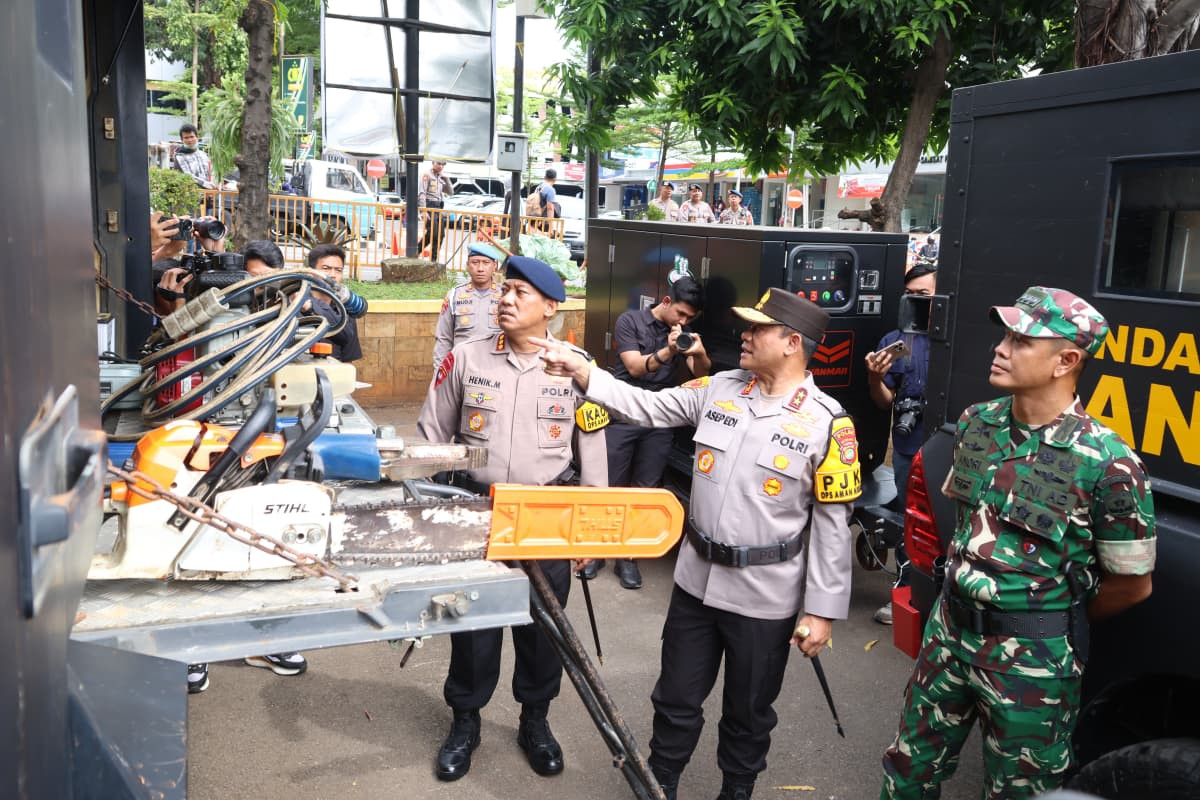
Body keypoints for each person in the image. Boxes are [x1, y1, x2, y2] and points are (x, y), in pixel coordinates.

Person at [535, 287, 861, 800]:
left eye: (757, 329)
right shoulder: (720, 388)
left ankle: (737, 788)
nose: (744, 336)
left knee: (749, 710)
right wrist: (584, 373)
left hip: (765, 595)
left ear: (792, 342)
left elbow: (831, 525)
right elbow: (646, 406)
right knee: (675, 698)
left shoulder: (828, 422)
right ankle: (660, 781)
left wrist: (821, 610)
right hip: (695, 581)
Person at [880, 286, 1156, 800]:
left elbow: (1132, 586)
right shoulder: (976, 423)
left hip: (1032, 662)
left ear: (1066, 360)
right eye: (1004, 336)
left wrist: (1039, 619)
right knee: (905, 775)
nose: (1000, 349)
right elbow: (967, 524)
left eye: (1021, 341)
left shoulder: (1108, 463)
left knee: (1021, 792)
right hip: (949, 637)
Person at [418, 255, 608, 782]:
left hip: (548, 514)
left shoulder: (575, 367)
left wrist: (589, 528)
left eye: (520, 293)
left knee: (544, 628)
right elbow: (434, 439)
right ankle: (465, 722)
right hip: (478, 511)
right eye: (505, 290)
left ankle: (536, 721)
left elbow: (593, 456)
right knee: (473, 625)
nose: (505, 299)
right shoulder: (466, 358)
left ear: (551, 307)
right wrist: (435, 515)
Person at [583, 276, 711, 590]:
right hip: (623, 411)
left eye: (690, 318)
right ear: (666, 302)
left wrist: (698, 351)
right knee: (611, 484)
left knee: (645, 488)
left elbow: (703, 375)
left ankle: (627, 556)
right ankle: (596, 551)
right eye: (680, 314)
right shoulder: (631, 321)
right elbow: (636, 367)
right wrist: (668, 352)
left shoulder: (685, 333)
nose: (683, 321)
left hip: (661, 418)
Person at [863, 262, 937, 625]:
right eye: (912, 296)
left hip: (954, 450)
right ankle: (905, 594)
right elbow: (884, 400)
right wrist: (875, 377)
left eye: (925, 295)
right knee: (913, 522)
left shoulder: (959, 338)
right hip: (910, 449)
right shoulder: (896, 342)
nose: (917, 302)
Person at [431, 242, 504, 370]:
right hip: (462, 367)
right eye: (475, 263)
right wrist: (439, 372)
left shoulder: (505, 296)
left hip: (496, 368)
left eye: (486, 263)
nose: (480, 268)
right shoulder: (455, 295)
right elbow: (444, 338)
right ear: (467, 265)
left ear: (495, 266)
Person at [308, 243, 367, 362]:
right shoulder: (298, 304)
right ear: (310, 272)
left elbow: (348, 361)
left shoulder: (345, 311)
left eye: (338, 270)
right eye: (326, 269)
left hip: (334, 377)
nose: (333, 275)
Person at [419, 160, 454, 260]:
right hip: (429, 205)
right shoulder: (427, 175)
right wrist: (423, 210)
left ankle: (433, 259)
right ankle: (417, 251)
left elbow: (450, 192)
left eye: (443, 164)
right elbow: (422, 193)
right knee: (432, 233)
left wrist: (447, 179)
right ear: (433, 163)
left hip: (439, 207)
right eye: (439, 163)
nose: (441, 166)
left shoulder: (441, 177)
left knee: (440, 235)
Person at [172, 124, 215, 189]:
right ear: (182, 140)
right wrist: (209, 186)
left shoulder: (203, 154)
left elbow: (211, 171)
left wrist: (214, 183)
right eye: (186, 137)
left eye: (192, 136)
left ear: (197, 137)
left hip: (210, 194)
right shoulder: (179, 157)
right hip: (191, 195)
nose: (189, 140)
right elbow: (188, 177)